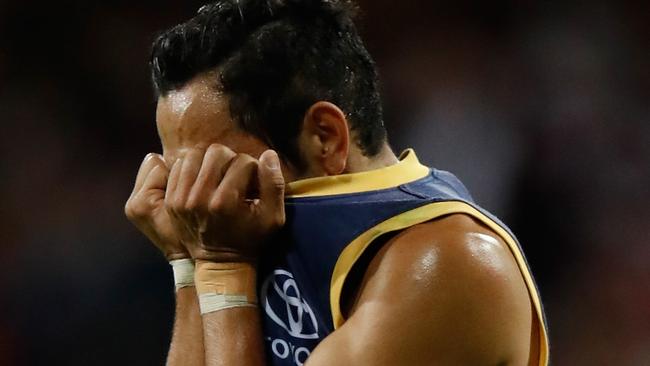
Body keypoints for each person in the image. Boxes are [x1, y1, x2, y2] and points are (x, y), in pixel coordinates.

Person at [125, 1, 549, 365]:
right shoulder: (236, 235)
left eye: (213, 168)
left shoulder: (447, 262)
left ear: (324, 137)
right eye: (179, 176)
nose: (190, 201)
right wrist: (188, 262)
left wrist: (220, 267)